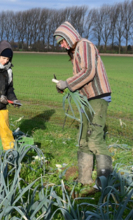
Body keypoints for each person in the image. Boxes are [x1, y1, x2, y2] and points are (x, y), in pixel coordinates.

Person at [53, 21, 112, 186]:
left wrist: (68, 83)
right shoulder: (75, 50)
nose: (61, 45)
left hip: (98, 96)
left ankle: (104, 184)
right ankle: (84, 180)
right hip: (88, 98)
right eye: (59, 43)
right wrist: (67, 88)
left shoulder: (84, 45)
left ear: (69, 36)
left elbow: (88, 71)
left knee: (94, 139)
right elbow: (80, 80)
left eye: (62, 41)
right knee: (83, 140)